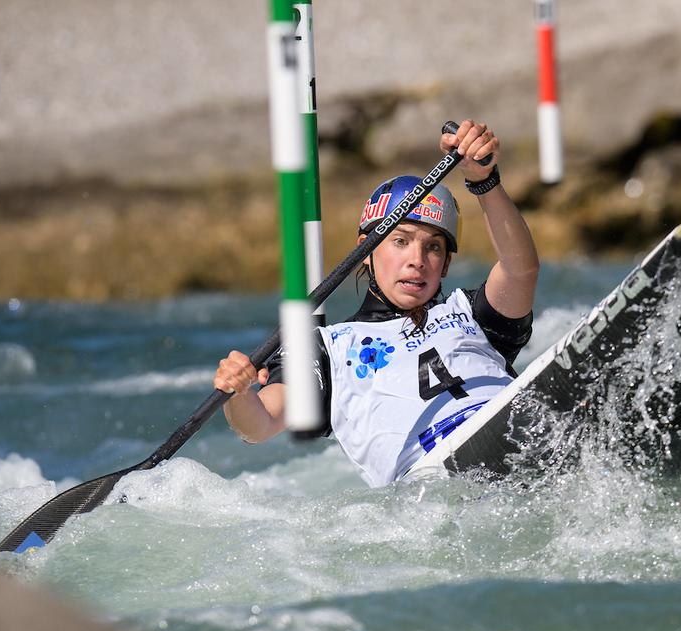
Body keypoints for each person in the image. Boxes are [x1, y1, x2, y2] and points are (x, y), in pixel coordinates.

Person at [213, 119, 540, 486]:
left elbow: (520, 270)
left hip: (518, 432)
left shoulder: (472, 314)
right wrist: (238, 394)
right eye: (400, 241)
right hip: (431, 485)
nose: (417, 259)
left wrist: (485, 181)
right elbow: (261, 423)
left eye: (433, 247)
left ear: (446, 263)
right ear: (364, 252)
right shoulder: (329, 350)